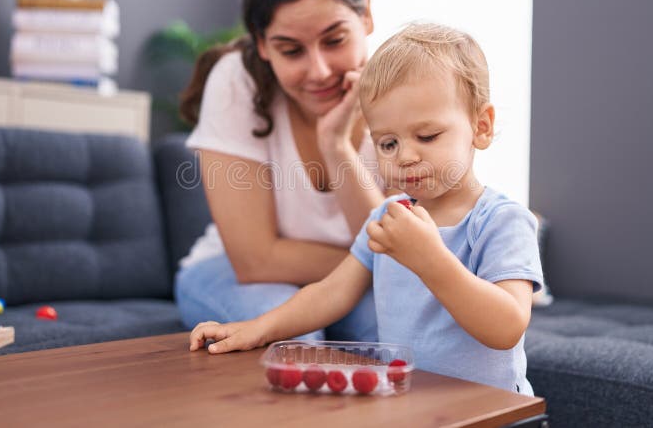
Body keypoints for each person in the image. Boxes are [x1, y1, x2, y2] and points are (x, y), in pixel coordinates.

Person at [188, 23, 545, 395]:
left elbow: (507, 328)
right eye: (388, 144)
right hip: (409, 410)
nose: (405, 156)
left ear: (481, 127)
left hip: (490, 414)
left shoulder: (502, 220)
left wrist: (430, 259)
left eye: (427, 136)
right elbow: (330, 293)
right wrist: (257, 327)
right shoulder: (388, 217)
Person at [174, 0, 383, 342]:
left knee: (418, 335)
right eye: (291, 50)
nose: (319, 70)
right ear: (263, 45)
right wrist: (383, 263)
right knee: (292, 337)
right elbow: (256, 260)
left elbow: (398, 250)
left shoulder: (403, 90)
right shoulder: (236, 81)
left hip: (354, 278)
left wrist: (336, 146)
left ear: (366, 17)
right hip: (232, 273)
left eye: (335, 39)